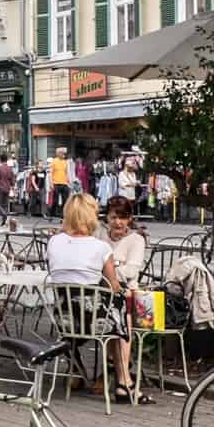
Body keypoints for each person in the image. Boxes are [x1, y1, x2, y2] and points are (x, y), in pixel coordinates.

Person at [47, 195, 146, 404]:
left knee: (112, 312)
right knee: (121, 314)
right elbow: (114, 286)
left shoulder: (54, 242)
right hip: (95, 322)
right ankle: (124, 381)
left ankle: (77, 370)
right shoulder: (100, 248)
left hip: (65, 318)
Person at [105, 197, 147, 286]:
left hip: (125, 291)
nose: (117, 222)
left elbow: (131, 271)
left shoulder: (137, 240)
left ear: (129, 218)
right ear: (107, 217)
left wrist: (104, 273)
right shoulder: (100, 236)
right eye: (113, 217)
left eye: (122, 218)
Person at [47, 146, 72, 215]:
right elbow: (50, 173)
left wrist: (69, 182)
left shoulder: (65, 162)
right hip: (56, 183)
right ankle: (52, 213)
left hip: (64, 183)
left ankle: (63, 214)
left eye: (64, 153)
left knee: (65, 199)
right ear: (58, 154)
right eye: (62, 153)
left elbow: (66, 173)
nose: (64, 155)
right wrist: (51, 183)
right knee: (55, 200)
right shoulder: (54, 161)